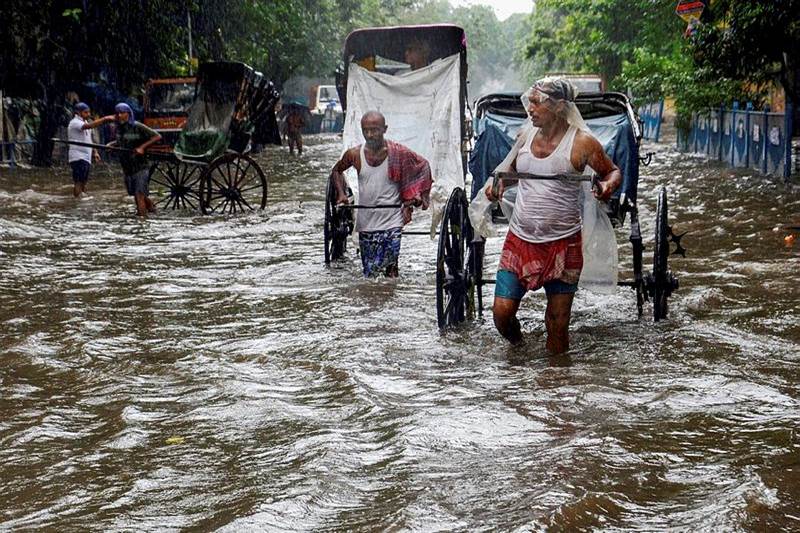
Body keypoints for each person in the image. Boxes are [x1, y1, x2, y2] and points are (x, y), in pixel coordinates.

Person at [485, 77, 622, 354]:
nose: (530, 108)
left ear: (559, 107)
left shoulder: (582, 143)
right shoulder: (524, 137)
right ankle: (519, 349)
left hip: (564, 244)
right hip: (520, 241)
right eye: (530, 102)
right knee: (501, 313)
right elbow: (511, 172)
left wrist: (607, 186)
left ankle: (557, 377)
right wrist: (498, 185)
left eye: (537, 103)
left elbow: (612, 172)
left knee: (557, 325)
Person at [331, 110, 432, 277]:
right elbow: (336, 171)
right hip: (367, 222)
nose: (370, 135)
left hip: (392, 221)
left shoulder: (399, 153)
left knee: (391, 271)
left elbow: (423, 166)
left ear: (385, 129)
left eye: (375, 130)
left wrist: (416, 194)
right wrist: (341, 194)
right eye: (366, 131)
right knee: (370, 274)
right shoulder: (354, 154)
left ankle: (391, 292)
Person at [108, 103, 162, 217]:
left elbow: (157, 136)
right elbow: (123, 141)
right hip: (128, 167)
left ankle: (141, 221)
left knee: (139, 195)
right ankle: (152, 209)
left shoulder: (137, 126)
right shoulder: (119, 128)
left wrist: (142, 147)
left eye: (122, 113)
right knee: (136, 194)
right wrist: (112, 144)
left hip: (141, 166)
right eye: (117, 113)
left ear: (128, 114)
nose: (119, 115)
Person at [66, 102, 105, 197]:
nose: (88, 114)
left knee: (84, 181)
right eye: (86, 112)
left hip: (86, 156)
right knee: (78, 181)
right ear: (78, 113)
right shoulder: (74, 122)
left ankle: (82, 198)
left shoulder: (86, 122)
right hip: (77, 157)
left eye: (89, 112)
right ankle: (77, 199)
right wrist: (104, 119)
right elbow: (88, 127)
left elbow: (89, 139)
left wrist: (95, 152)